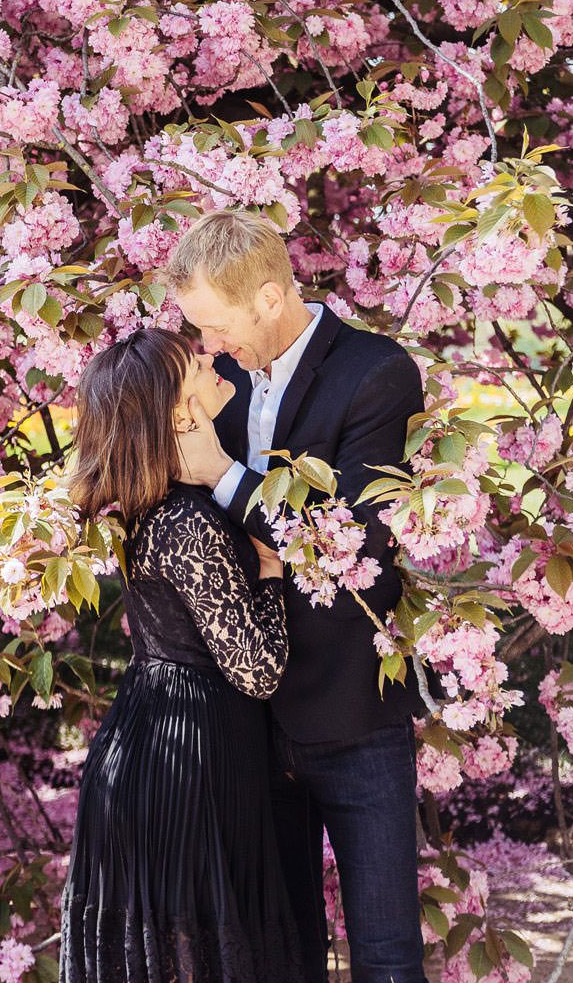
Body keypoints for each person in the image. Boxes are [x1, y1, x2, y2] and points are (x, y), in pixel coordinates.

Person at [165, 208, 426, 983]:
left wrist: (219, 473)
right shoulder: (220, 380)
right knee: (279, 957)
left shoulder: (376, 373)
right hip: (243, 720)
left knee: (385, 954)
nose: (207, 347)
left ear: (271, 297)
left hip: (353, 716)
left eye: (214, 326)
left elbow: (346, 540)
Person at [59, 325, 309, 983]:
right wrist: (271, 571)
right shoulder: (187, 520)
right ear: (177, 410)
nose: (209, 356)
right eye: (193, 362)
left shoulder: (153, 507)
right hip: (188, 764)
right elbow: (256, 669)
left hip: (154, 741)